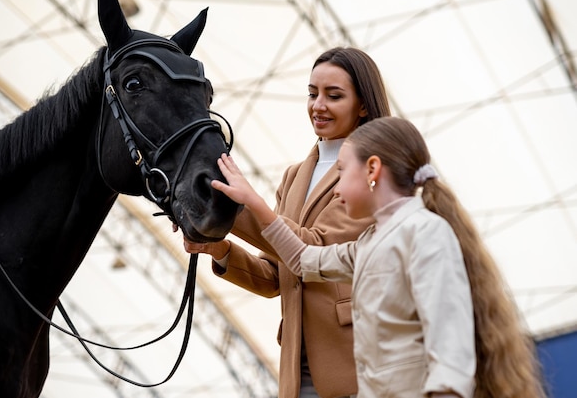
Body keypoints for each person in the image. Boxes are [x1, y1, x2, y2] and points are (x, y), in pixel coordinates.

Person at [206, 116, 548, 398]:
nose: (335, 189)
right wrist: (249, 203)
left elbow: (450, 349)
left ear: (372, 169)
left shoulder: (426, 234)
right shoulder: (370, 243)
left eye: (341, 172)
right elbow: (302, 260)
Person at [184, 47, 391, 398]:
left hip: (354, 363)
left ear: (364, 105)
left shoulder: (374, 169)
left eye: (334, 95)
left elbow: (315, 249)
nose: (318, 105)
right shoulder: (295, 176)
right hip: (298, 362)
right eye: (312, 94)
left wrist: (240, 207)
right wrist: (218, 248)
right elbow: (274, 276)